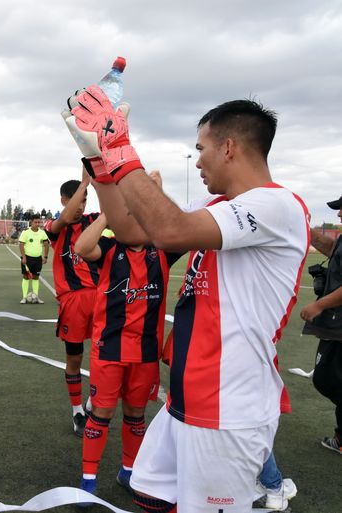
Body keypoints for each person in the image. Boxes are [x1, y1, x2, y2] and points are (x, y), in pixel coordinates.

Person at [65, 90, 309, 511]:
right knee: (151, 493)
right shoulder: (214, 205)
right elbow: (131, 230)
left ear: (228, 148)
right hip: (188, 396)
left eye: (201, 149)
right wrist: (100, 165)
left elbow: (170, 230)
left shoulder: (276, 204)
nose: (197, 162)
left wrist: (119, 147)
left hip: (229, 407)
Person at [73, 172, 182, 498]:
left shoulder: (161, 251)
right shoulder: (110, 248)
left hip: (145, 352)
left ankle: (129, 472)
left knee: (135, 415)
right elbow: (82, 247)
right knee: (101, 413)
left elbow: (178, 225)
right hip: (110, 349)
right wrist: (111, 212)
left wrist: (153, 195)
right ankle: (88, 479)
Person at [43, 171, 100, 437]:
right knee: (74, 357)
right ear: (64, 200)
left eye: (85, 200)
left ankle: (92, 402)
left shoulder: (92, 221)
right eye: (76, 200)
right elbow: (64, 219)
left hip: (100, 298)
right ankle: (77, 410)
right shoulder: (55, 226)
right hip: (73, 300)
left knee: (103, 356)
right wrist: (84, 182)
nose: (81, 206)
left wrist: (96, 184)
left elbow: (115, 212)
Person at [300, 197, 342, 457]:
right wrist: (303, 227)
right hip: (336, 323)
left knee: (327, 378)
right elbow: (332, 248)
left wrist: (319, 305)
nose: (339, 215)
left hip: (339, 325)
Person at [18, 213, 49, 304]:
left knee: (36, 277)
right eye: (36, 222)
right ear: (31, 222)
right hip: (27, 259)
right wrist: (24, 257)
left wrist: (45, 256)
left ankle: (36, 297)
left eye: (39, 222)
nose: (37, 224)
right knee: (26, 277)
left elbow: (46, 244)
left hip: (38, 259)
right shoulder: (25, 232)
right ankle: (24, 297)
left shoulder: (42, 233)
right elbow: (21, 245)